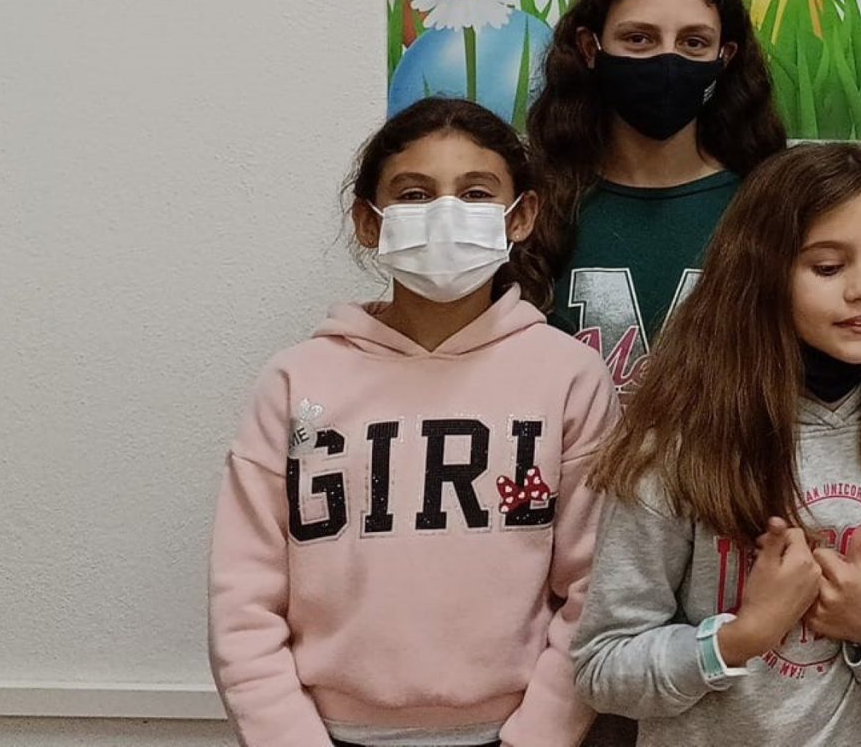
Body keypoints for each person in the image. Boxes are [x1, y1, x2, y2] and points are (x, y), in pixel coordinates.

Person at [209, 98, 616, 747]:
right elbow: (243, 598)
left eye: (476, 193)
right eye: (415, 194)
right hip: (328, 732)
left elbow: (595, 588)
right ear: (369, 222)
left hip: (510, 733)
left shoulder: (569, 378)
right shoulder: (295, 381)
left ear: (522, 216)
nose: (445, 213)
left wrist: (536, 737)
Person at [570, 143, 861, 746]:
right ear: (761, 275)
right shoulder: (678, 449)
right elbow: (602, 668)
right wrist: (739, 637)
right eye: (828, 267)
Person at [530, 0, 788, 396]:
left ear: (724, 57)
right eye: (639, 39)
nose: (667, 60)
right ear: (590, 48)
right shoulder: (535, 207)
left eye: (694, 42)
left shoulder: (768, 203)